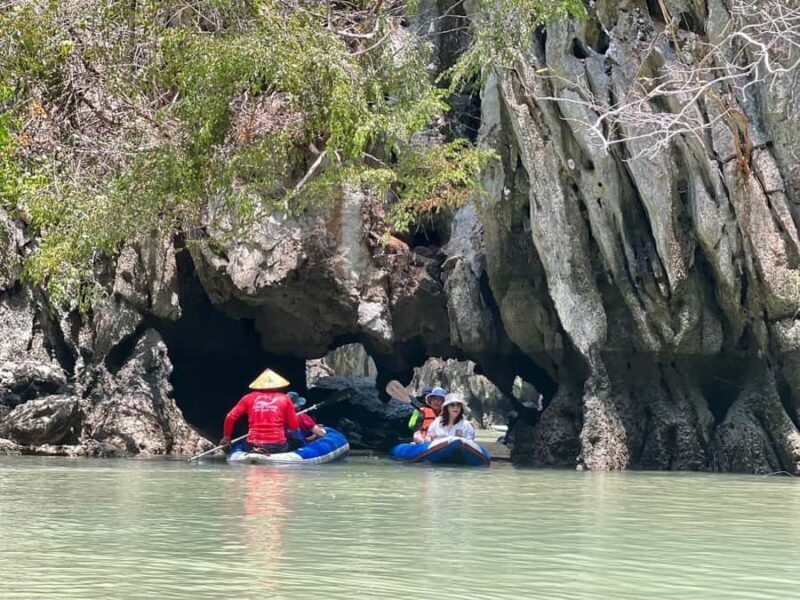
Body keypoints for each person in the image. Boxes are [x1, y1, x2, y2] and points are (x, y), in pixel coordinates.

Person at [219, 368, 302, 454]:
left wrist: (226, 437)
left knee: (246, 445)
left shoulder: (248, 398)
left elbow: (230, 417)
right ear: (278, 385)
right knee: (296, 443)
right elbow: (294, 426)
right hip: (277, 446)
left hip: (252, 444)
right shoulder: (285, 399)